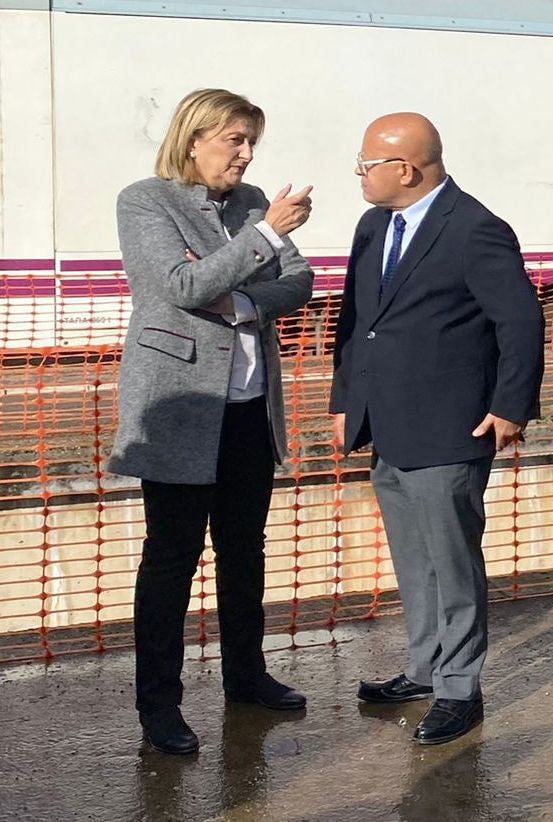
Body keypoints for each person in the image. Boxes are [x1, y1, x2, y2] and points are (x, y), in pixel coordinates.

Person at [110, 89, 315, 755]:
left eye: (252, 140)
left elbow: (299, 283)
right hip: (182, 412)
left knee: (244, 549)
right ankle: (158, 708)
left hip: (250, 411)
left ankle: (246, 676)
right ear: (195, 138)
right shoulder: (146, 200)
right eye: (235, 139)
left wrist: (242, 299)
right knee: (171, 558)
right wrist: (264, 239)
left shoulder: (253, 203)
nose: (247, 154)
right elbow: (179, 285)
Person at [332, 112, 545, 745]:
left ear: (406, 169)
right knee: (414, 560)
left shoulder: (475, 230)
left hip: (451, 428)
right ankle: (425, 668)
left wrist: (510, 407)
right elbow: (356, 320)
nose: (359, 173)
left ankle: (459, 690)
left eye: (368, 162)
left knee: (451, 564)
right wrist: (348, 397)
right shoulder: (374, 226)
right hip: (387, 424)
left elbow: (520, 324)